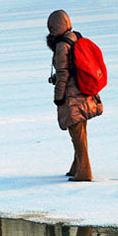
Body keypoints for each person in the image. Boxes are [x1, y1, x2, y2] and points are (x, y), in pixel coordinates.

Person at [46, 9, 103, 181]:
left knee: (77, 135)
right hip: (84, 92)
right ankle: (76, 167)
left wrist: (58, 97)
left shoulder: (62, 45)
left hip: (73, 96)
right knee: (80, 133)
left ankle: (84, 172)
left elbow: (64, 73)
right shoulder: (76, 38)